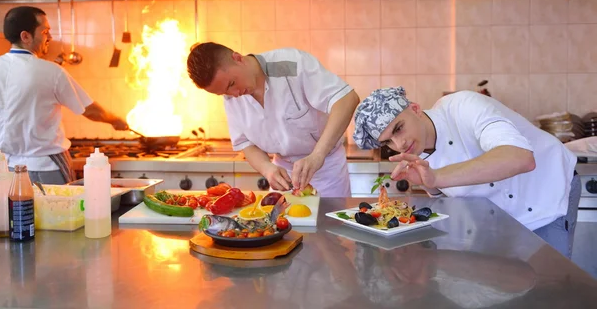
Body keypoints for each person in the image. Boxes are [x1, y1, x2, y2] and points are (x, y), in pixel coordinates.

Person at [353, 86, 580, 258]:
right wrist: (429, 184)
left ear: (415, 109)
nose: (399, 144)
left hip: (546, 190)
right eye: (388, 142)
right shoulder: (415, 149)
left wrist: (438, 177)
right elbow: (446, 194)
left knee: (549, 289)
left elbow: (520, 158)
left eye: (398, 128)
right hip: (499, 216)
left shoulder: (463, 106)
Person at [186, 42, 359, 197]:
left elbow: (347, 99)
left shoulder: (292, 64)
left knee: (329, 230)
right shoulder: (232, 97)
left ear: (238, 58)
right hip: (283, 176)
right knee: (283, 231)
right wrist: (268, 169)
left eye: (232, 84)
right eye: (224, 92)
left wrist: (317, 155)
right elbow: (245, 143)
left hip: (326, 168)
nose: (234, 94)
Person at [0, 6, 128, 184]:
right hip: (47, 168)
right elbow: (90, 110)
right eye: (45, 32)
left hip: (7, 170)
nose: (50, 37)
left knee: (16, 213)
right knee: (58, 211)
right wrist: (116, 120)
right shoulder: (51, 72)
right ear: (25, 36)